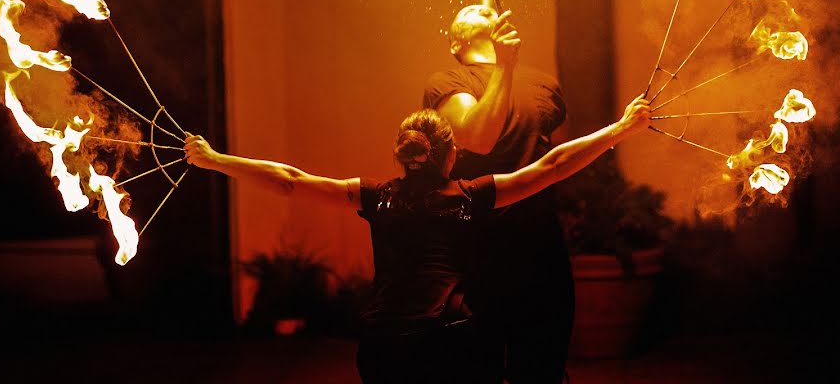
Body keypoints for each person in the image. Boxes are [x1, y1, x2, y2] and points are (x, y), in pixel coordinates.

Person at [184, 102, 650, 383]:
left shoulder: (376, 195)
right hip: (454, 342)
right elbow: (551, 167)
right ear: (451, 155)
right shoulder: (473, 194)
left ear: (402, 157)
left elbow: (289, 180)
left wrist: (214, 159)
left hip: (384, 346)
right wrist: (622, 129)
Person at [422, 4, 577, 383]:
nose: (482, 7)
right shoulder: (448, 82)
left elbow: (550, 156)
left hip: (541, 249)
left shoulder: (544, 84)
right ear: (455, 41)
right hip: (476, 250)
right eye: (469, 10)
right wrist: (504, 65)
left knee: (542, 370)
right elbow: (478, 138)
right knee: (476, 369)